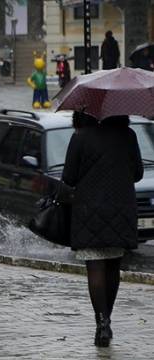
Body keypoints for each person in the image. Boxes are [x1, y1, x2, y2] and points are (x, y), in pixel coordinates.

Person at [62, 113, 143, 348]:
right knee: (113, 267)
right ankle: (108, 320)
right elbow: (137, 173)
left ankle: (101, 323)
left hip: (89, 210)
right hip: (121, 209)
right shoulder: (128, 136)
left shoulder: (80, 138)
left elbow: (69, 176)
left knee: (95, 266)